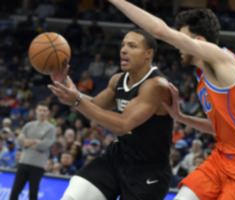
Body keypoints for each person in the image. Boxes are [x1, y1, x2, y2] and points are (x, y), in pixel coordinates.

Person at [107, 1, 235, 199]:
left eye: (182, 39)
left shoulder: (223, 61)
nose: (178, 46)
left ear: (199, 41)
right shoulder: (202, 76)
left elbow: (159, 30)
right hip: (221, 159)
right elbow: (218, 126)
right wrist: (181, 116)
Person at [48, 29, 173, 200]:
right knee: (72, 196)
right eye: (123, 45)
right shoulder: (118, 80)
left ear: (148, 54)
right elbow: (94, 107)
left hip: (148, 172)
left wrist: (76, 100)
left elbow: (122, 125)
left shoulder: (157, 85)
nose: (123, 50)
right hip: (116, 159)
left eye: (132, 46)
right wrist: (66, 87)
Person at [9, 101, 56, 200]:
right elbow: (19, 142)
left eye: (44, 110)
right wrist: (35, 141)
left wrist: (27, 142)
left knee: (33, 195)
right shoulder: (28, 125)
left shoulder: (51, 128)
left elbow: (43, 146)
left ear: (48, 112)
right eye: (40, 110)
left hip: (38, 165)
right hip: (23, 162)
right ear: (36, 111)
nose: (42, 112)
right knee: (14, 192)